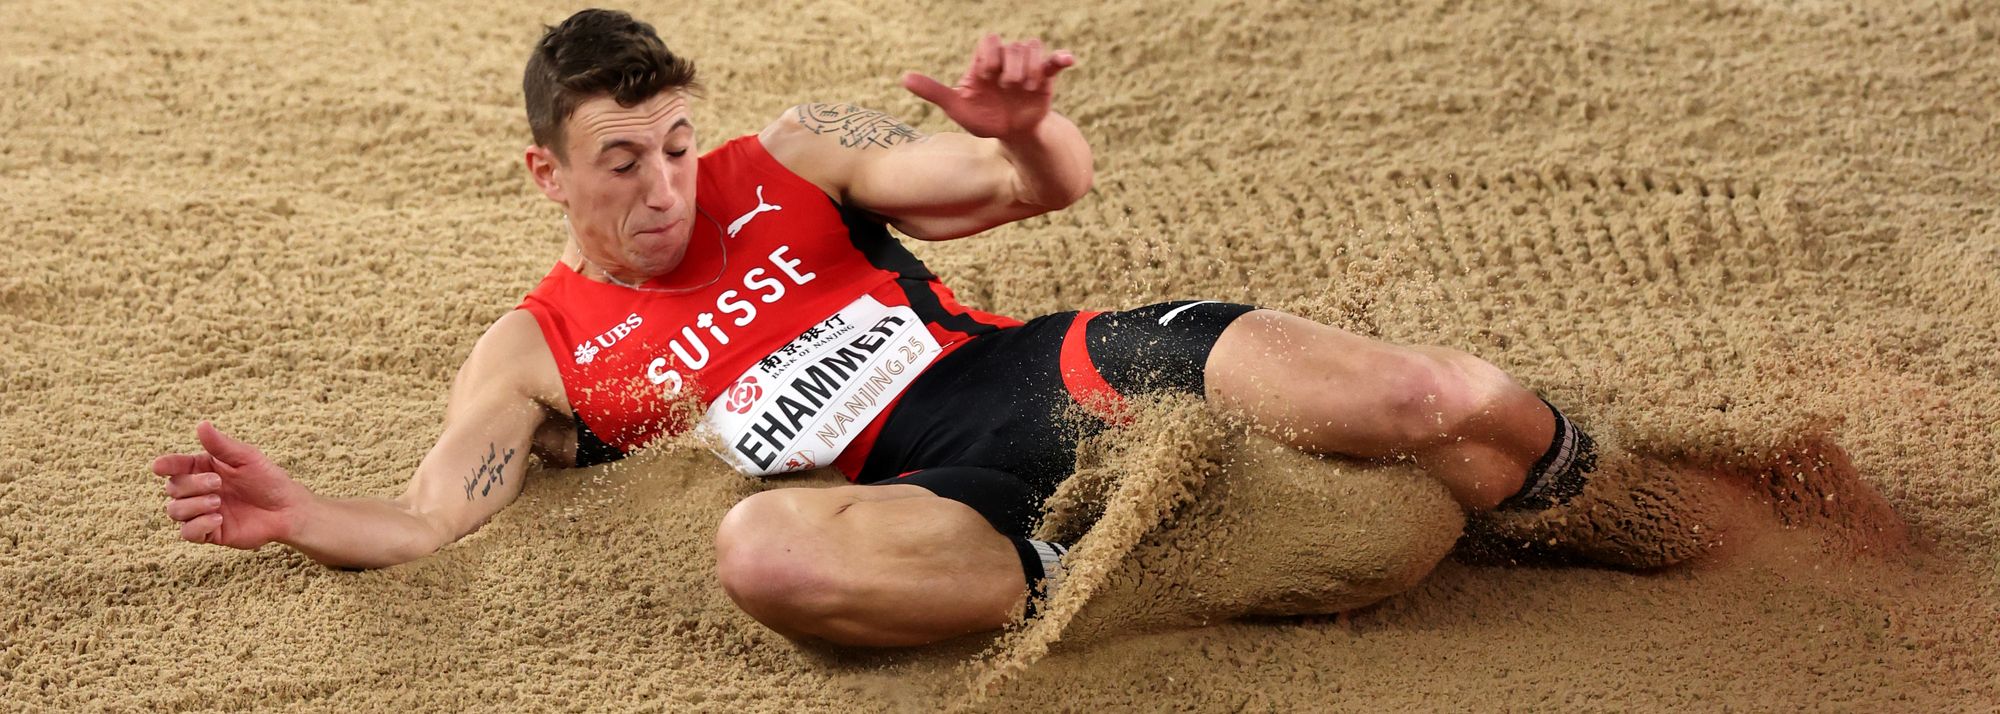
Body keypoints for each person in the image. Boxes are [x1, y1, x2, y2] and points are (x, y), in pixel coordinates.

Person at [150, 9, 1660, 648]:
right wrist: (301, 515)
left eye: (676, 144)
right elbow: (433, 518)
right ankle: (1115, 567)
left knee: (1426, 401)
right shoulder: (533, 349)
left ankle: (1623, 497)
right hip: (930, 502)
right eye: (621, 164)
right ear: (546, 172)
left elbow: (1022, 189)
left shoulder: (799, 149)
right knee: (763, 554)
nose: (665, 187)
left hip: (1038, 369)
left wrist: (1027, 130)